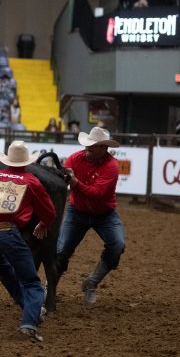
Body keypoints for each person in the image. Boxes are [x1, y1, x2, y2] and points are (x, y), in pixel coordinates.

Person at [0, 141, 57, 342]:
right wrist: (43, 224)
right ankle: (29, 325)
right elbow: (49, 211)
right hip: (7, 233)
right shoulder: (31, 181)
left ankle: (28, 308)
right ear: (26, 161)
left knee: (4, 268)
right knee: (31, 281)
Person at [55, 127, 125, 306]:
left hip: (103, 213)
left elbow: (98, 193)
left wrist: (75, 183)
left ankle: (92, 283)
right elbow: (63, 178)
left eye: (92, 146)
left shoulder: (111, 166)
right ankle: (50, 286)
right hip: (78, 210)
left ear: (103, 149)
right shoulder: (74, 159)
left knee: (117, 246)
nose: (88, 148)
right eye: (88, 145)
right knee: (61, 250)